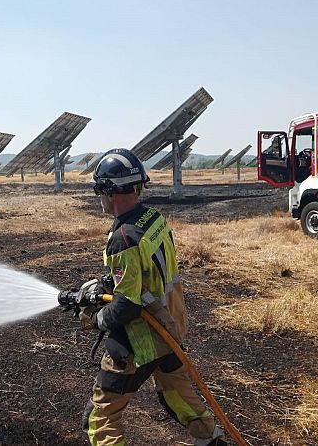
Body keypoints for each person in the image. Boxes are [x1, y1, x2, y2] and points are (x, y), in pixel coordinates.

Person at [78, 148, 227, 446]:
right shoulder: (153, 219)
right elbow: (146, 275)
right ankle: (213, 442)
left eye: (99, 190)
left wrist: (95, 318)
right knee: (180, 399)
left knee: (100, 419)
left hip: (140, 342)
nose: (98, 198)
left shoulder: (123, 239)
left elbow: (127, 306)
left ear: (111, 191)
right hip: (169, 330)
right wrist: (109, 283)